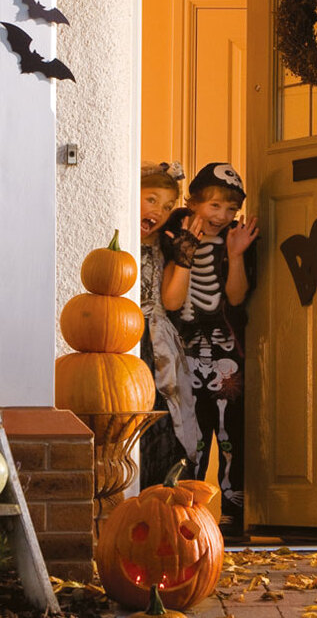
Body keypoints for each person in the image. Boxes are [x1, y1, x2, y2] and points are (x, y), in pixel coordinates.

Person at [162, 162, 258, 537]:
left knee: (230, 426)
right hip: (183, 346)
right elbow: (171, 300)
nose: (222, 216)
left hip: (224, 347)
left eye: (231, 209)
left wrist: (235, 255)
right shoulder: (174, 233)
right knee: (191, 428)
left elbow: (235, 298)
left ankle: (233, 506)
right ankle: (189, 506)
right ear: (194, 202)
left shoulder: (236, 239)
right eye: (214, 206)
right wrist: (185, 249)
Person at [138, 162, 200, 487]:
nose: (158, 212)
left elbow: (172, 302)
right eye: (150, 200)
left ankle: (159, 494)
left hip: (157, 343)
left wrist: (183, 258)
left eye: (166, 207)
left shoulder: (163, 246)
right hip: (125, 340)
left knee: (164, 419)